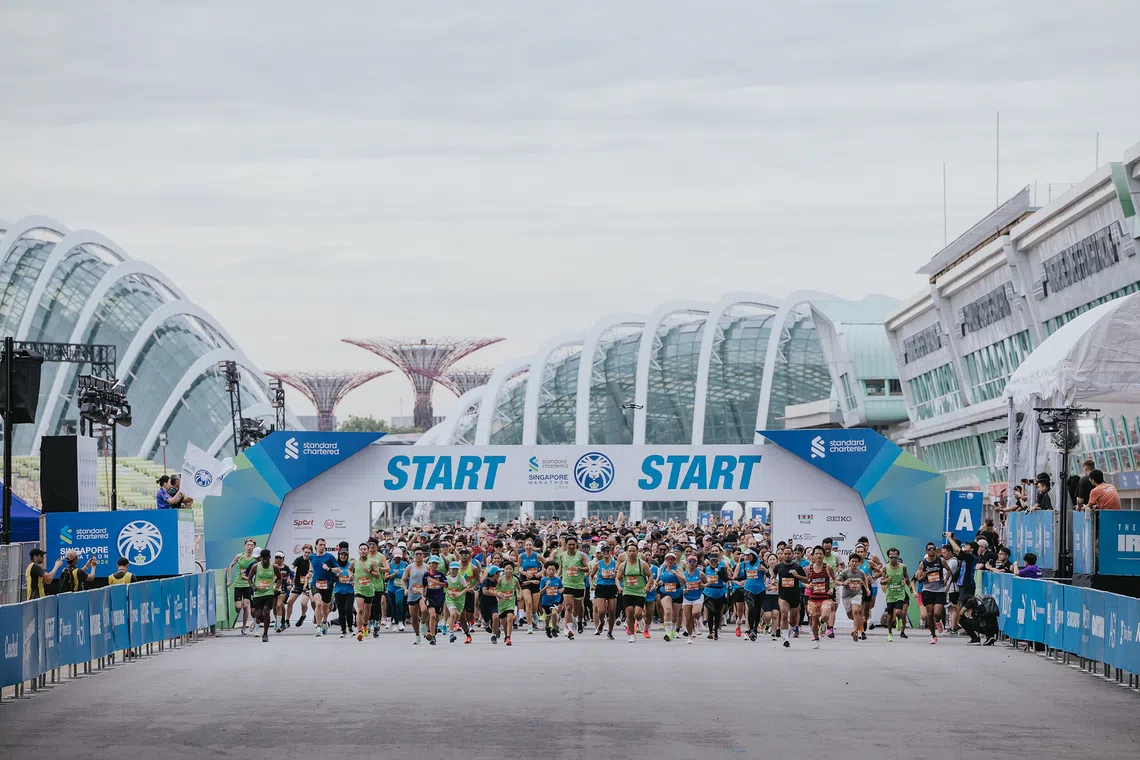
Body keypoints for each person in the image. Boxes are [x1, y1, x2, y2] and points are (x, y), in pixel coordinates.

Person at [914, 542, 950, 645]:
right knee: (929, 614)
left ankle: (938, 621)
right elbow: (919, 579)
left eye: (933, 549)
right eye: (929, 549)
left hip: (939, 590)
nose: (931, 551)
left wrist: (946, 579)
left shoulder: (941, 560)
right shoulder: (923, 564)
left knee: (937, 613)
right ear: (926, 551)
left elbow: (949, 570)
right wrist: (924, 575)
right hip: (927, 590)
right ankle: (933, 635)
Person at [555, 534, 589, 640]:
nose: (571, 547)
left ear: (576, 545)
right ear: (566, 544)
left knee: (577, 609)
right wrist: (556, 578)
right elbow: (561, 569)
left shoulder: (581, 556)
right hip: (567, 584)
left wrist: (579, 568)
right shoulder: (562, 556)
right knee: (568, 607)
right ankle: (569, 629)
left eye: (573, 545)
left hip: (579, 585)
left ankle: (578, 621)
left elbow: (588, 568)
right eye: (569, 544)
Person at [616, 540, 650, 643]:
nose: (632, 553)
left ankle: (639, 620)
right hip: (628, 590)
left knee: (638, 613)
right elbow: (618, 578)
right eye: (630, 551)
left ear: (637, 552)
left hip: (640, 591)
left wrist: (647, 586)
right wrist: (619, 587)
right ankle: (632, 634)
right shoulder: (623, 565)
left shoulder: (642, 564)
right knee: (629, 612)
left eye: (634, 551)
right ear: (627, 552)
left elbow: (650, 576)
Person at [805, 546, 834, 649]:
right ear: (813, 556)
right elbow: (804, 581)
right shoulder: (809, 569)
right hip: (813, 598)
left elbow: (834, 580)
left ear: (823, 555)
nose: (818, 555)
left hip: (825, 597)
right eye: (816, 554)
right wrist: (807, 586)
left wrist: (832, 589)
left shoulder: (828, 567)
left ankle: (823, 622)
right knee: (814, 621)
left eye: (820, 554)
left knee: (825, 615)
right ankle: (816, 640)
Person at [880, 548, 912, 642]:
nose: (893, 559)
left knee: (898, 612)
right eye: (891, 557)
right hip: (890, 594)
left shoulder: (903, 567)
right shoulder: (885, 568)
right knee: (890, 616)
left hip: (900, 593)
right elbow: (882, 581)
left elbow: (906, 577)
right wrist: (886, 580)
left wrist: (906, 583)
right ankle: (890, 633)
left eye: (895, 557)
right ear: (888, 557)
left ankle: (898, 619)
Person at [351, 542, 381, 641]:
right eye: (361, 549)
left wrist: (369, 572)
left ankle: (365, 625)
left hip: (369, 589)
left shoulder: (373, 562)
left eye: (365, 549)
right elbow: (350, 569)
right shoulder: (354, 562)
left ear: (368, 551)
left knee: (367, 611)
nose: (363, 551)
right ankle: (359, 631)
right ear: (358, 551)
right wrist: (351, 575)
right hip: (359, 589)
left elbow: (377, 576)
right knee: (360, 609)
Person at [308, 538, 338, 636]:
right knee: (318, 604)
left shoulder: (330, 557)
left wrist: (329, 569)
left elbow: (338, 570)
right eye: (320, 544)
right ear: (316, 546)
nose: (322, 546)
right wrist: (310, 572)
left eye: (324, 545)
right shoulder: (311, 557)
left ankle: (325, 621)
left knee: (325, 609)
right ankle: (318, 627)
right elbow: (311, 567)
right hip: (315, 584)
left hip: (327, 585)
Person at [246, 549, 276, 642]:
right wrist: (253, 586)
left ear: (270, 558)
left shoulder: (274, 567)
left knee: (266, 611)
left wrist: (276, 586)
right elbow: (249, 579)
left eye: (267, 559)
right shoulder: (255, 567)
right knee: (258, 614)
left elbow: (279, 578)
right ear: (260, 558)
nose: (265, 561)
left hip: (269, 592)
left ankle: (265, 634)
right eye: (263, 559)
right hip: (258, 593)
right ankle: (261, 621)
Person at [837, 556, 869, 642]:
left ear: (858, 563)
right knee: (851, 615)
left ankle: (855, 631)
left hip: (857, 594)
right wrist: (843, 583)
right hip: (847, 596)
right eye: (852, 561)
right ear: (849, 562)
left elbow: (864, 579)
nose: (854, 563)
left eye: (856, 562)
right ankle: (860, 627)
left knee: (856, 611)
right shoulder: (845, 572)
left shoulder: (860, 572)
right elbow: (836, 581)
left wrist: (867, 588)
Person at [590, 542, 618, 639]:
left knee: (612, 611)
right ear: (601, 553)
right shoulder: (598, 564)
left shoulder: (615, 563)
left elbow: (620, 576)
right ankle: (602, 622)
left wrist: (617, 576)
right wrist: (591, 585)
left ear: (610, 552)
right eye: (604, 551)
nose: (606, 552)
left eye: (608, 551)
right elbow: (590, 575)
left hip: (612, 587)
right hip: (601, 587)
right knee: (601, 611)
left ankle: (610, 632)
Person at [403, 547, 429, 644]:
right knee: (414, 617)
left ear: (423, 556)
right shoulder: (410, 567)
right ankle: (417, 635)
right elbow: (403, 579)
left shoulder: (427, 567)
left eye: (420, 554)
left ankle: (423, 624)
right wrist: (405, 589)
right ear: (414, 556)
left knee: (424, 610)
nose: (418, 556)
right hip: (412, 593)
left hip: (423, 593)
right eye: (416, 554)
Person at [656, 551, 684, 641]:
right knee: (668, 611)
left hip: (677, 592)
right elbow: (658, 578)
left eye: (672, 559)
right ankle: (667, 633)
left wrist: (676, 575)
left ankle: (672, 630)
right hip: (665, 591)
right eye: (668, 559)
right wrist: (653, 586)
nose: (670, 561)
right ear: (665, 560)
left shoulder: (678, 568)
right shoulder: (662, 568)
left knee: (675, 616)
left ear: (675, 560)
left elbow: (684, 581)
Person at [444, 561, 473, 643]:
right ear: (449, 569)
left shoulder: (461, 578)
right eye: (453, 569)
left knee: (459, 618)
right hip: (450, 600)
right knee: (452, 614)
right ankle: (451, 634)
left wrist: (460, 593)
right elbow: (443, 586)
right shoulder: (446, 578)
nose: (454, 571)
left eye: (456, 569)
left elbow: (466, 588)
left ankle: (467, 634)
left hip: (459, 602)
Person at [285, 544, 312, 628]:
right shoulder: (299, 559)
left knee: (303, 603)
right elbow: (291, 566)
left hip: (307, 585)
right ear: (303, 551)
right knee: (289, 601)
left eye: (309, 553)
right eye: (305, 552)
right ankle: (287, 620)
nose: (307, 554)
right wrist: (292, 569)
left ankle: (303, 616)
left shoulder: (312, 560)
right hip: (298, 584)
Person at [494, 560, 520, 646]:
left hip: (510, 603)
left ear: (513, 570)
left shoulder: (515, 580)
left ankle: (509, 637)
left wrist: (520, 595)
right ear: (504, 570)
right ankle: (505, 635)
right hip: (501, 603)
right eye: (507, 569)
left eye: (510, 569)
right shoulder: (501, 579)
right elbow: (495, 590)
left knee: (510, 619)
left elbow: (519, 588)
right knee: (503, 622)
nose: (508, 570)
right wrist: (498, 596)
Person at [680, 553, 704, 645]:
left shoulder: (700, 573)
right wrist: (684, 590)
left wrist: (701, 585)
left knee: (695, 612)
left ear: (696, 563)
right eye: (690, 561)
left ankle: (699, 619)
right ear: (687, 563)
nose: (691, 563)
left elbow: (707, 584)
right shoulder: (684, 574)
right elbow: (680, 586)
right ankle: (690, 636)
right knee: (688, 618)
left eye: (694, 561)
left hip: (697, 596)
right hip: (687, 597)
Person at [423, 555, 447, 645]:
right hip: (430, 597)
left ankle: (433, 628)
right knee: (432, 615)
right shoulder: (426, 575)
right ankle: (433, 637)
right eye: (432, 563)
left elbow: (446, 585)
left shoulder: (440, 574)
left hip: (439, 598)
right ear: (429, 564)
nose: (434, 565)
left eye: (436, 563)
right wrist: (423, 596)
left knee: (436, 617)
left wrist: (435, 582)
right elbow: (423, 586)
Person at [331, 548, 355, 638]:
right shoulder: (336, 566)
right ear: (339, 555)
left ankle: (350, 628)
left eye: (345, 555)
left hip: (349, 591)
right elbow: (331, 578)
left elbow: (356, 576)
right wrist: (336, 575)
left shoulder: (350, 565)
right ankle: (343, 630)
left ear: (347, 556)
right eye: (341, 555)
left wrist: (354, 581)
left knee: (348, 609)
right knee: (341, 611)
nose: (343, 556)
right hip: (339, 591)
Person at [539, 561, 564, 637]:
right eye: (549, 569)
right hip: (546, 601)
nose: (551, 571)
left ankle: (553, 628)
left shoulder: (558, 579)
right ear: (546, 570)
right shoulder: (543, 580)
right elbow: (540, 592)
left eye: (553, 570)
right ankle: (547, 627)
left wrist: (561, 590)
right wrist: (546, 587)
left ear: (555, 570)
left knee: (554, 613)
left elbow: (562, 587)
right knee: (548, 616)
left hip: (555, 599)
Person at [271, 551, 294, 632]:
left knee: (279, 605)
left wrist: (290, 584)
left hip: (283, 588)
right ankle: (280, 621)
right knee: (274, 607)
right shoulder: (272, 567)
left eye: (280, 557)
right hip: (273, 589)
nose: (278, 559)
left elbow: (291, 576)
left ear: (283, 559)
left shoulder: (286, 568)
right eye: (276, 557)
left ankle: (279, 624)